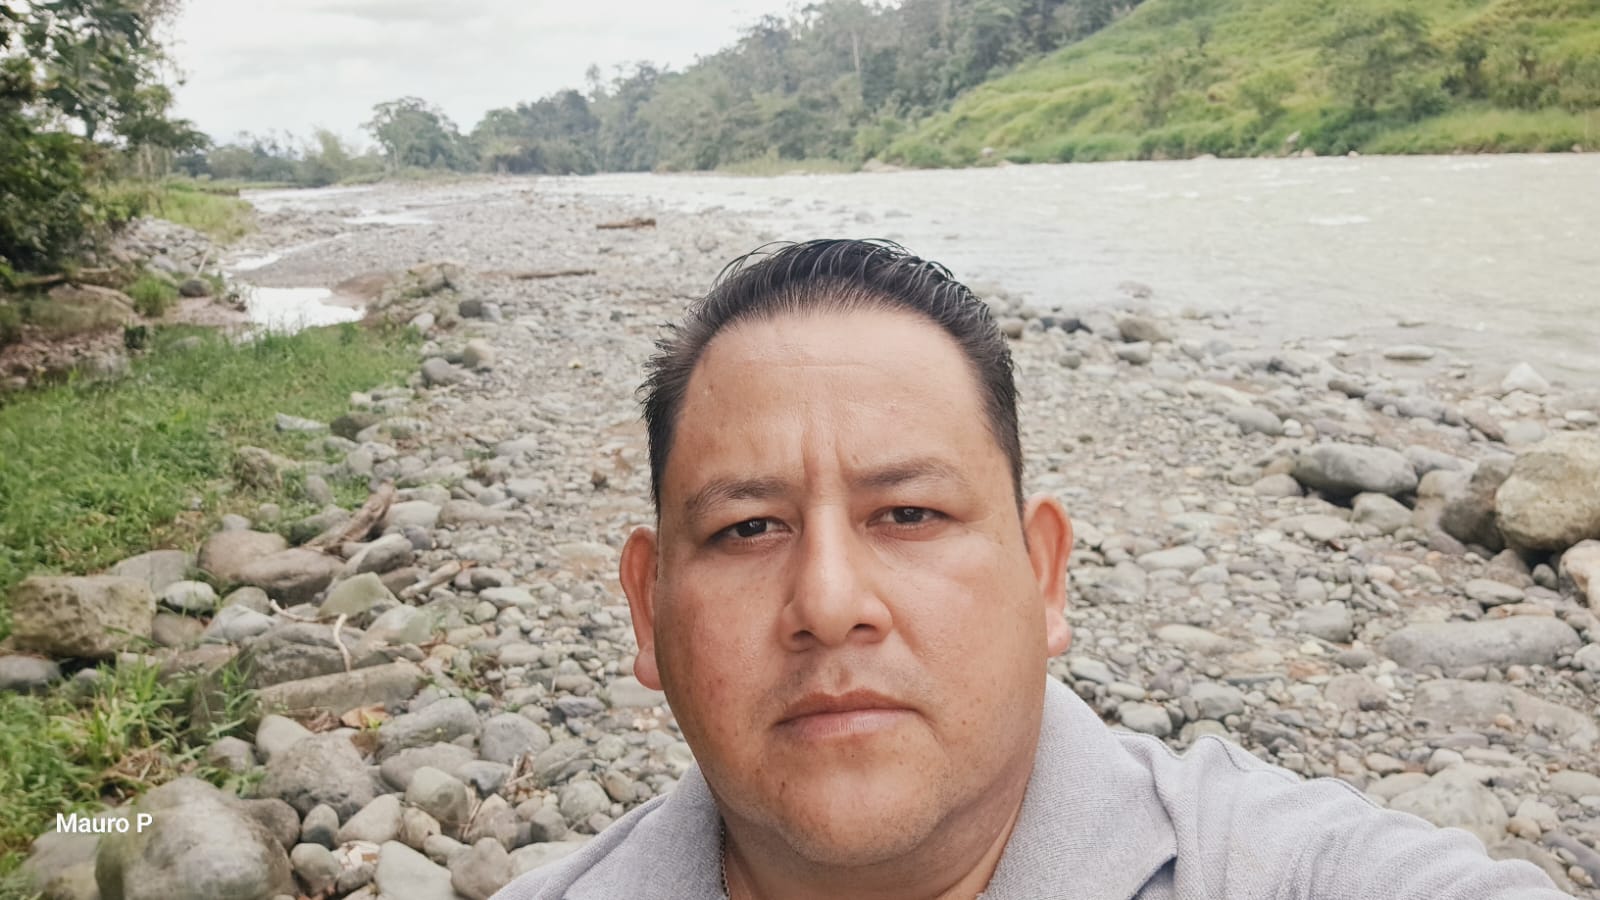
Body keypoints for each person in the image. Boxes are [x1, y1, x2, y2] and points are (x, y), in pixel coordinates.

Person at [492, 239, 1568, 900]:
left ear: (1044, 577)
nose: (828, 602)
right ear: (648, 609)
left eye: (908, 513)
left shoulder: (1277, 868)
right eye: (747, 529)